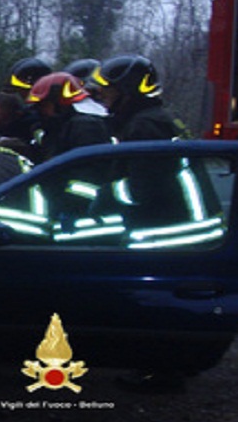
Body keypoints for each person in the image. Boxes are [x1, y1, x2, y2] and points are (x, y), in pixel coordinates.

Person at [91, 54, 216, 393]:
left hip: (171, 229)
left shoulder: (144, 125)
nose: (102, 97)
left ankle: (159, 374)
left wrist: (102, 195)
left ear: (127, 91)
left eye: (108, 90)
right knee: (169, 304)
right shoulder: (154, 119)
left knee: (154, 305)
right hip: (185, 224)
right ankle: (173, 365)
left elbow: (143, 190)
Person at [27, 72, 112, 162]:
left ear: (59, 103)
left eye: (43, 105)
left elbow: (90, 167)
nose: (39, 111)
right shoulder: (55, 129)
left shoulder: (86, 127)